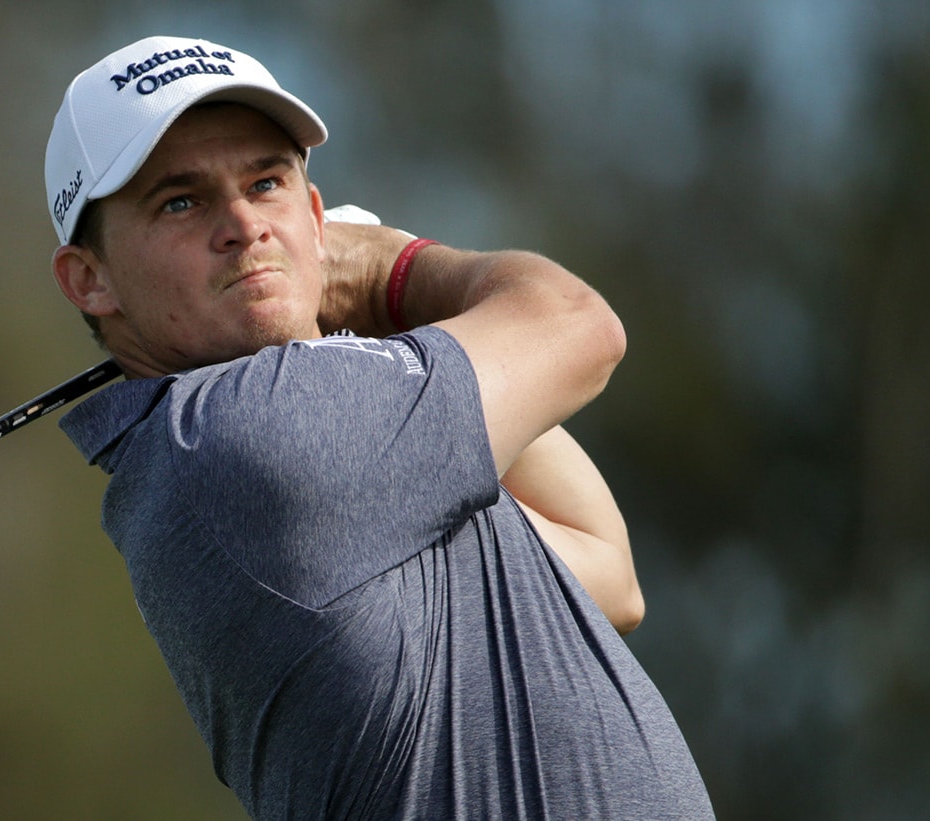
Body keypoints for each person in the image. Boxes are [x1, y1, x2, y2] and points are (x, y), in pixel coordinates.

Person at [44, 35, 713, 819]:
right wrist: (392, 272)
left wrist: (385, 338)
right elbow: (578, 324)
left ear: (314, 217)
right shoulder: (245, 431)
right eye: (180, 202)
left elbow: (606, 571)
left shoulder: (338, 451)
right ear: (89, 279)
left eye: (267, 183)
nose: (245, 225)